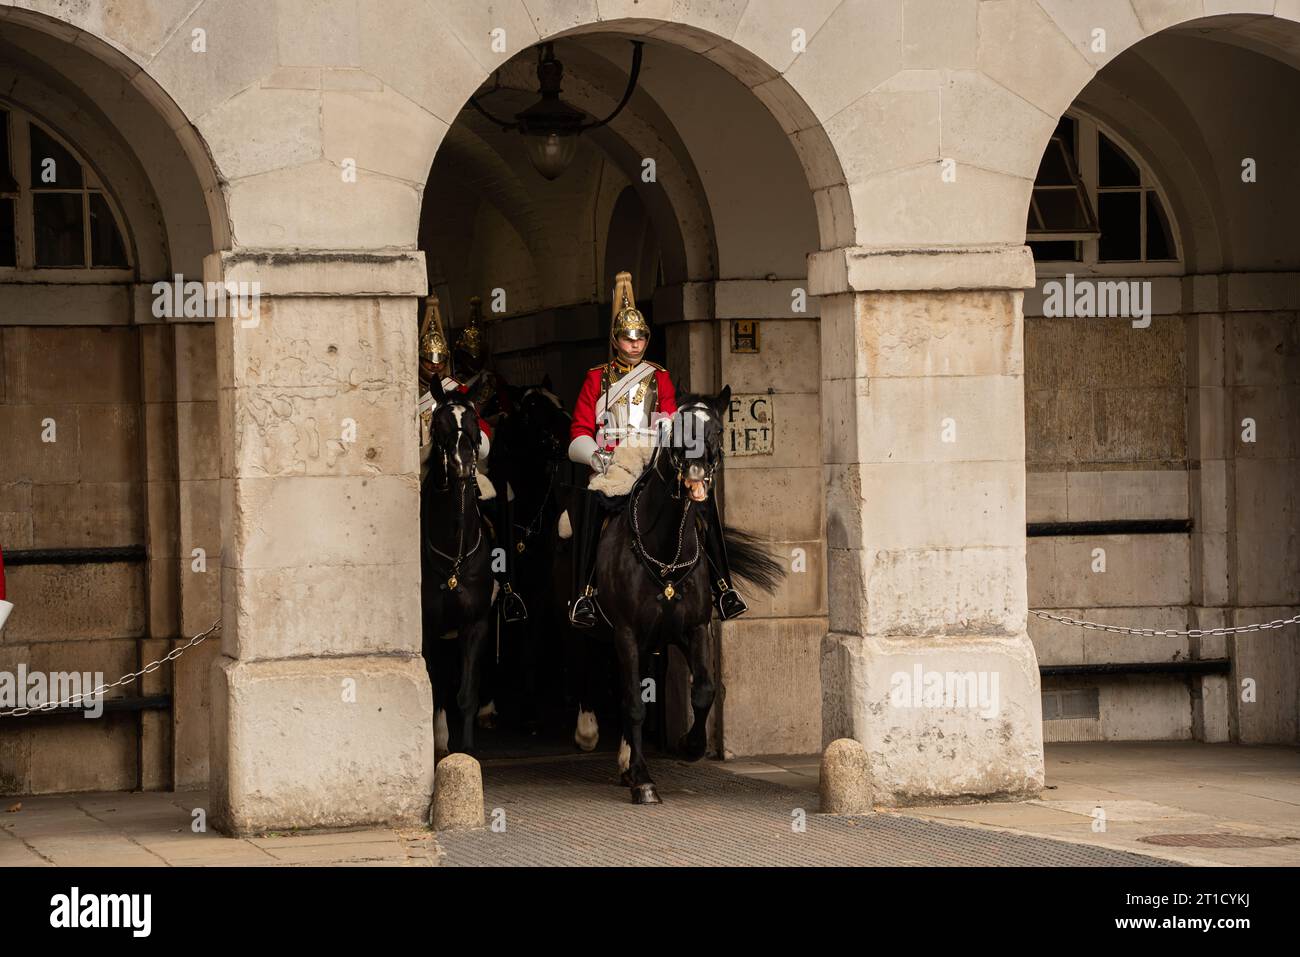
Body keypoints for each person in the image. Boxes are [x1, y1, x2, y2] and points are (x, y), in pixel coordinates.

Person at [566, 270, 747, 628]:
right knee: (591, 509)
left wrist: (663, 434)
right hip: (611, 463)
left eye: (640, 339)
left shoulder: (659, 376)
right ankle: (584, 594)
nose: (635, 345)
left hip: (651, 457)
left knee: (700, 504)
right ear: (615, 340)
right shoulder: (595, 378)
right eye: (627, 339)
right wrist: (596, 456)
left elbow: (667, 414)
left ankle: (724, 588)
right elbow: (578, 430)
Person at [418, 294, 526, 623]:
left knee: (498, 502)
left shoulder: (459, 391)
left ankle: (505, 585)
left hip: (462, 464)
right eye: (428, 360)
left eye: (440, 360)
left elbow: (480, 429)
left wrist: (477, 447)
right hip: (419, 468)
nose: (435, 367)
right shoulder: (403, 390)